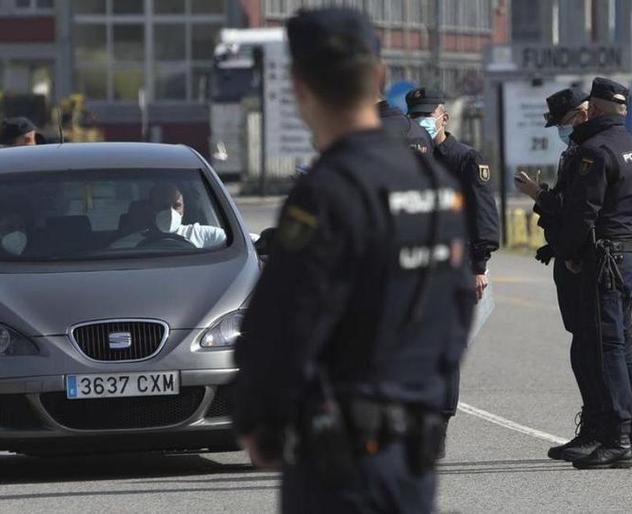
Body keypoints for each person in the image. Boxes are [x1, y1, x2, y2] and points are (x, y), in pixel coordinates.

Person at [232, 8, 473, 512]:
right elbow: (455, 314)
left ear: (300, 87)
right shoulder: (436, 185)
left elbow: (285, 322)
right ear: (380, 76)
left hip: (339, 459)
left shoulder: (327, 192)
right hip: (413, 454)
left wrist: (259, 420)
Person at [545, 78, 632, 469]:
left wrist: (569, 252)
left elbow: (583, 213)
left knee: (608, 350)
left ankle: (618, 440)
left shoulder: (595, 150)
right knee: (621, 347)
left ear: (596, 108)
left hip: (602, 259)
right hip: (626, 254)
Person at [406, 87, 502, 454]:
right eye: (415, 116)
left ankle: (439, 425)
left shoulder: (465, 159)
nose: (421, 122)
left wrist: (480, 265)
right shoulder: (407, 157)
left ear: (444, 118)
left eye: (427, 115)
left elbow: (483, 216)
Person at [515, 87, 606, 463]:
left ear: (582, 115)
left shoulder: (591, 153)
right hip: (571, 258)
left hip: (585, 261)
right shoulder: (576, 151)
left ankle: (603, 432)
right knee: (584, 347)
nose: (561, 132)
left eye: (563, 124)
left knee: (594, 351)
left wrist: (538, 195)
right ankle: (602, 430)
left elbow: (577, 212)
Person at [149, 183, 227, 249]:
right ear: (152, 208)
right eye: (164, 206)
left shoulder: (203, 235)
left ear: (183, 208)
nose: (171, 211)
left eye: (177, 205)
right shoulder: (141, 241)